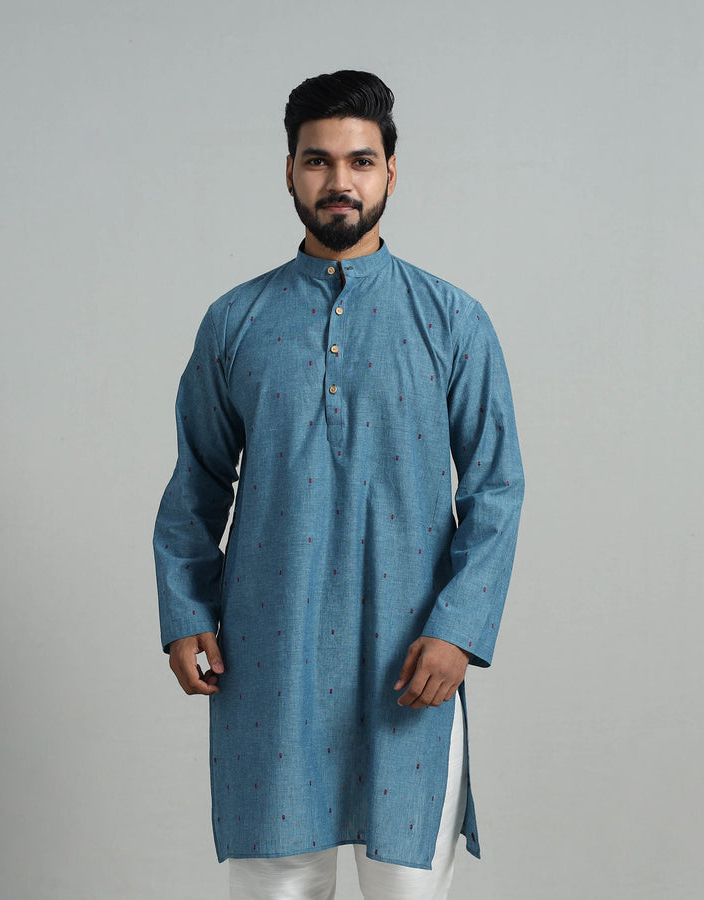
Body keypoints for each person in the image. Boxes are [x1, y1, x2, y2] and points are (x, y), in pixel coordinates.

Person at [154, 70, 524, 899]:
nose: (339, 181)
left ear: (392, 171)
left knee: (405, 884)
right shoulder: (236, 321)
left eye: (360, 161)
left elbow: (497, 487)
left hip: (410, 662)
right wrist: (184, 611)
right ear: (289, 171)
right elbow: (196, 483)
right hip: (269, 662)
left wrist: (459, 629)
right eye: (318, 161)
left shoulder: (451, 320)